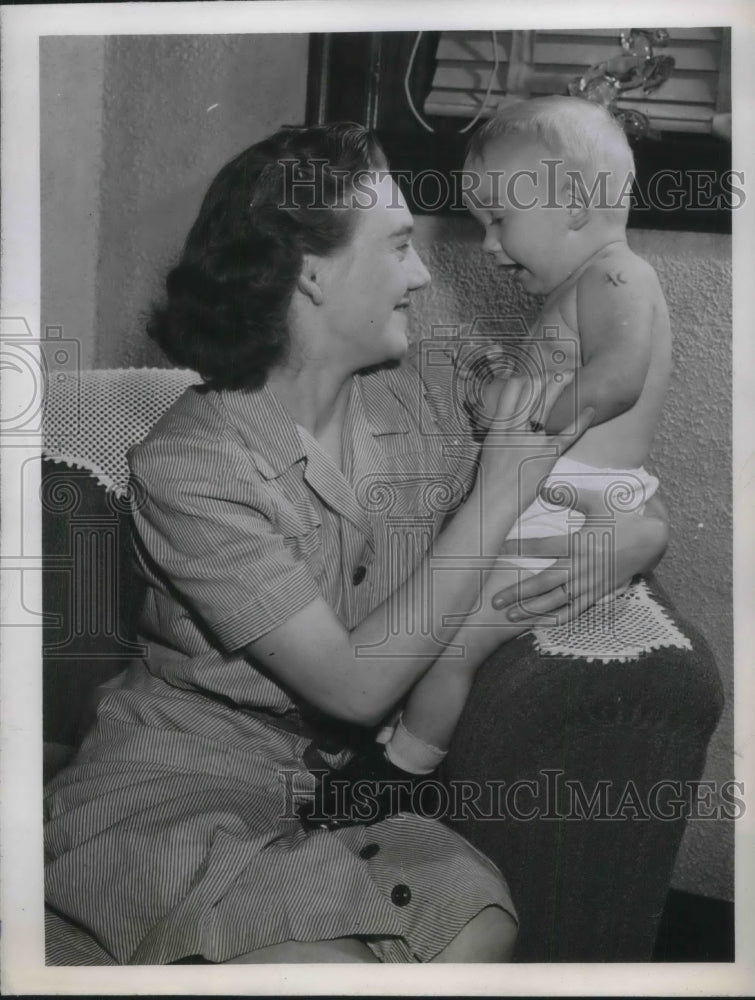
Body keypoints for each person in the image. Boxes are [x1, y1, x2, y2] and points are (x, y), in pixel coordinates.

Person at [44, 123, 668, 966]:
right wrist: (499, 490)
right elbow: (351, 686)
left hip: (340, 794)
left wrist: (638, 535)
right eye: (399, 246)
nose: (422, 275)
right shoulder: (191, 465)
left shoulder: (439, 382)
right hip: (182, 781)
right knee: (326, 968)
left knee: (479, 923)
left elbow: (599, 465)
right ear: (311, 272)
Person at [463, 96, 671, 581]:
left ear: (574, 205)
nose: (487, 244)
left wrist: (516, 414)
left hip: (571, 506)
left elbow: (617, 381)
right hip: (560, 495)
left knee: (467, 620)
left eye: (499, 220)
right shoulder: (584, 286)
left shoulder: (616, 275)